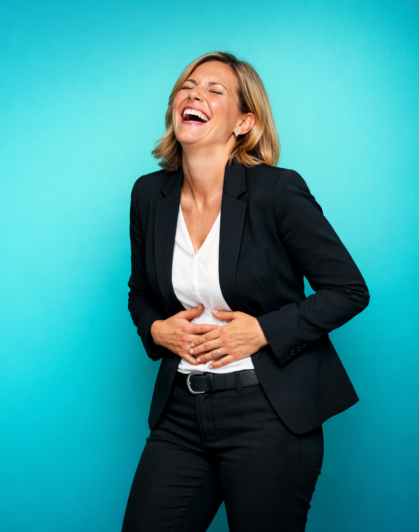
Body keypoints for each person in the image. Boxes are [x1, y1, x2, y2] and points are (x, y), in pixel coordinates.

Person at [121, 51, 369, 532]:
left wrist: (262, 332)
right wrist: (156, 330)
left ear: (244, 122)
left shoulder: (276, 191)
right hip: (181, 415)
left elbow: (348, 289)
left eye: (215, 90)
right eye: (188, 86)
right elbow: (139, 292)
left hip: (269, 416)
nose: (195, 95)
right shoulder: (148, 196)